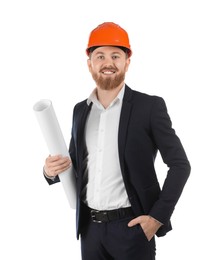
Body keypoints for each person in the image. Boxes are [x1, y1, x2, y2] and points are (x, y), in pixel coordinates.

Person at [43, 22, 191, 260]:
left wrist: (157, 218)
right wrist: (50, 171)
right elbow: (76, 165)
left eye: (115, 55)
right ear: (89, 63)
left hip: (132, 228)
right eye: (100, 56)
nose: (108, 63)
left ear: (127, 62)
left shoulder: (149, 107)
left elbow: (180, 165)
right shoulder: (80, 110)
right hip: (90, 230)